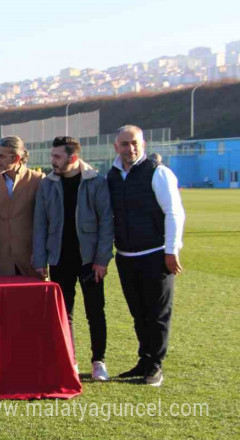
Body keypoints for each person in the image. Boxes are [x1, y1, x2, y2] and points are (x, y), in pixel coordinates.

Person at [107, 125, 185, 387]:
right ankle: (144, 359)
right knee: (138, 313)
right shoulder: (113, 175)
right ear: (116, 147)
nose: (131, 148)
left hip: (155, 255)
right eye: (125, 144)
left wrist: (171, 250)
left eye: (135, 143)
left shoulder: (158, 172)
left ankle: (155, 366)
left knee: (157, 314)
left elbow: (174, 213)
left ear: (144, 144)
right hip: (126, 256)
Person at [33, 136, 114, 381]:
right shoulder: (47, 184)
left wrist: (102, 259)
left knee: (95, 311)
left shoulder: (96, 182)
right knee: (63, 312)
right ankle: (70, 360)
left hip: (89, 259)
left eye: (57, 157)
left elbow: (106, 222)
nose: (52, 161)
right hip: (59, 258)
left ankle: (98, 361)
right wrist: (40, 260)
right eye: (52, 155)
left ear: (73, 158)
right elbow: (40, 224)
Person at [0, 135, 45, 277]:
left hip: (30, 260)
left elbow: (43, 222)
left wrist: (40, 255)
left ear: (16, 158)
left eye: (1, 156)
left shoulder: (38, 180)